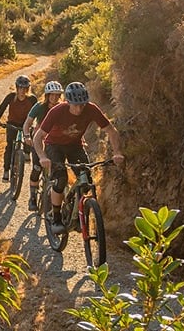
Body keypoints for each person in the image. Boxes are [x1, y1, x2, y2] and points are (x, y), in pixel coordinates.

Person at [37, 82, 123, 228]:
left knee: (86, 180)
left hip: (75, 145)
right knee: (61, 178)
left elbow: (111, 131)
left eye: (82, 104)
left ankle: (77, 213)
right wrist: (42, 157)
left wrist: (117, 152)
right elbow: (38, 137)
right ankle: (56, 218)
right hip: (54, 145)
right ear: (68, 102)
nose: (79, 108)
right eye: (75, 105)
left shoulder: (91, 109)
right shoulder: (57, 111)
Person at [21, 80, 64, 211]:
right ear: (47, 95)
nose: (54, 97)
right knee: (37, 168)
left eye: (57, 95)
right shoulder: (39, 107)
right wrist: (27, 136)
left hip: (54, 142)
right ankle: (33, 197)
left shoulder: (63, 108)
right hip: (39, 141)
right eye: (52, 95)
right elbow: (27, 124)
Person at [0, 75, 37, 183]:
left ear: (28, 89)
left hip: (25, 123)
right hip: (12, 123)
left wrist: (38, 124)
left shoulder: (32, 99)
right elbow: (2, 107)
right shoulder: (11, 97)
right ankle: (6, 171)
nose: (22, 91)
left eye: (25, 88)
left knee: (29, 135)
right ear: (16, 88)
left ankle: (26, 153)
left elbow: (38, 111)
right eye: (20, 88)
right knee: (9, 147)